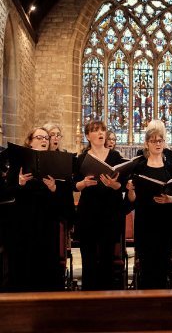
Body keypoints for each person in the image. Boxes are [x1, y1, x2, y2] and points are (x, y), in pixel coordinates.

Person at [5, 127, 72, 291]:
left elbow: (65, 200)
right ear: (30, 141)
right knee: (24, 261)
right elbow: (6, 194)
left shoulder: (56, 162)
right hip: (24, 222)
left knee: (46, 262)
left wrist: (54, 188)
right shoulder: (18, 164)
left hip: (47, 222)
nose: (44, 140)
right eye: (40, 137)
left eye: (46, 138)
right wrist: (19, 183)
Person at [74, 120, 134, 290]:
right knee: (89, 258)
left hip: (110, 212)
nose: (100, 133)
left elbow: (121, 185)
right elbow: (74, 184)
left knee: (107, 258)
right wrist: (83, 183)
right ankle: (88, 299)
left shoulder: (116, 157)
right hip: (89, 212)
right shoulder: (81, 158)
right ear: (88, 136)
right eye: (95, 130)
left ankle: (107, 300)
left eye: (102, 130)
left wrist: (113, 185)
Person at [126, 123, 172, 289]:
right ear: (147, 144)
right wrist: (130, 190)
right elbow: (132, 200)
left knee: (164, 264)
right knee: (146, 264)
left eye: (160, 140)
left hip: (165, 223)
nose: (158, 143)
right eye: (153, 141)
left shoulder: (171, 170)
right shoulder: (138, 168)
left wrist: (170, 200)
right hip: (145, 222)